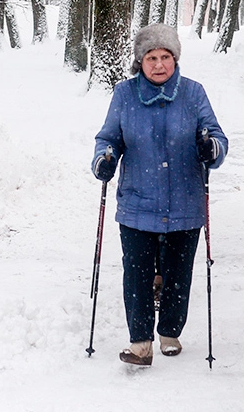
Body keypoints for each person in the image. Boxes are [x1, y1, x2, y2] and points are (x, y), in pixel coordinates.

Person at [92, 24, 228, 367]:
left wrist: (210, 148)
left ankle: (170, 330)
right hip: (138, 202)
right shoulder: (125, 95)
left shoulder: (193, 93)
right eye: (151, 57)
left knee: (178, 272)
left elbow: (217, 138)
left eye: (165, 57)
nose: (158, 65)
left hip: (185, 201)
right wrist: (103, 159)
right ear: (141, 61)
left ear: (175, 58)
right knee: (136, 273)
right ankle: (140, 342)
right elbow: (108, 138)